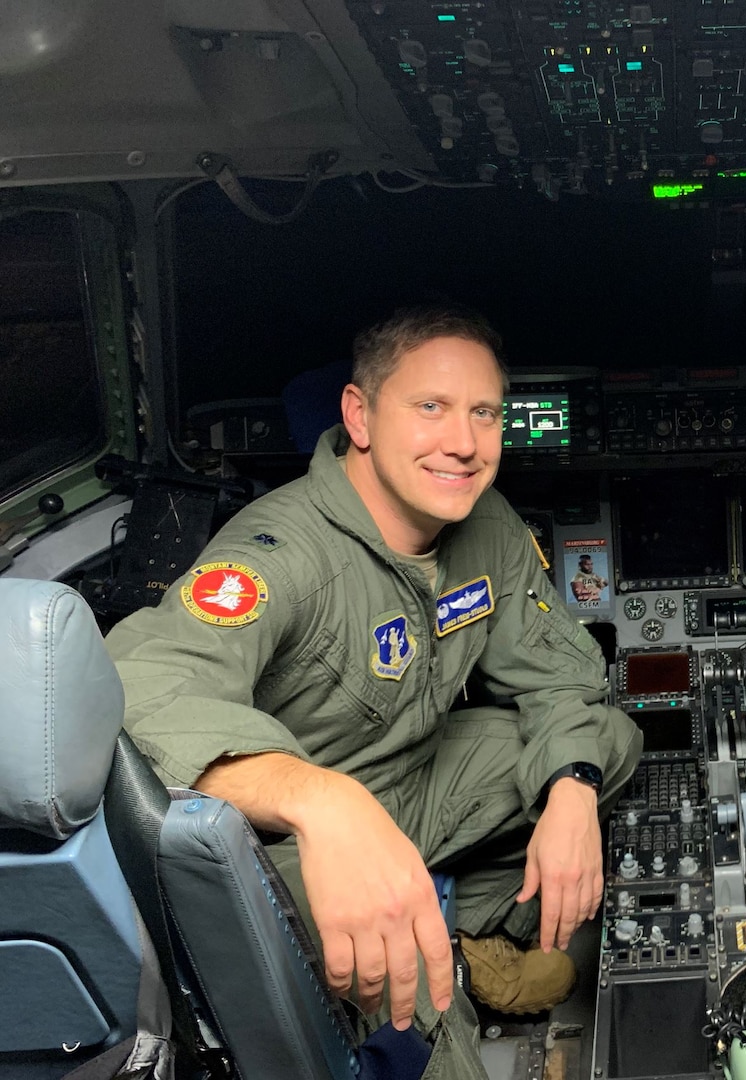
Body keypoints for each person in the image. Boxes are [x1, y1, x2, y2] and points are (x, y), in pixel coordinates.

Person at [106, 307, 642, 1066]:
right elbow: (135, 694)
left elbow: (557, 674)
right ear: (358, 414)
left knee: (604, 743)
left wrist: (574, 793)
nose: (463, 442)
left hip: (412, 784)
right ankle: (431, 981)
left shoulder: (485, 524)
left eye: (482, 413)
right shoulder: (280, 555)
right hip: (289, 842)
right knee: (413, 993)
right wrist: (323, 800)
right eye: (430, 407)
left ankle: (480, 925)